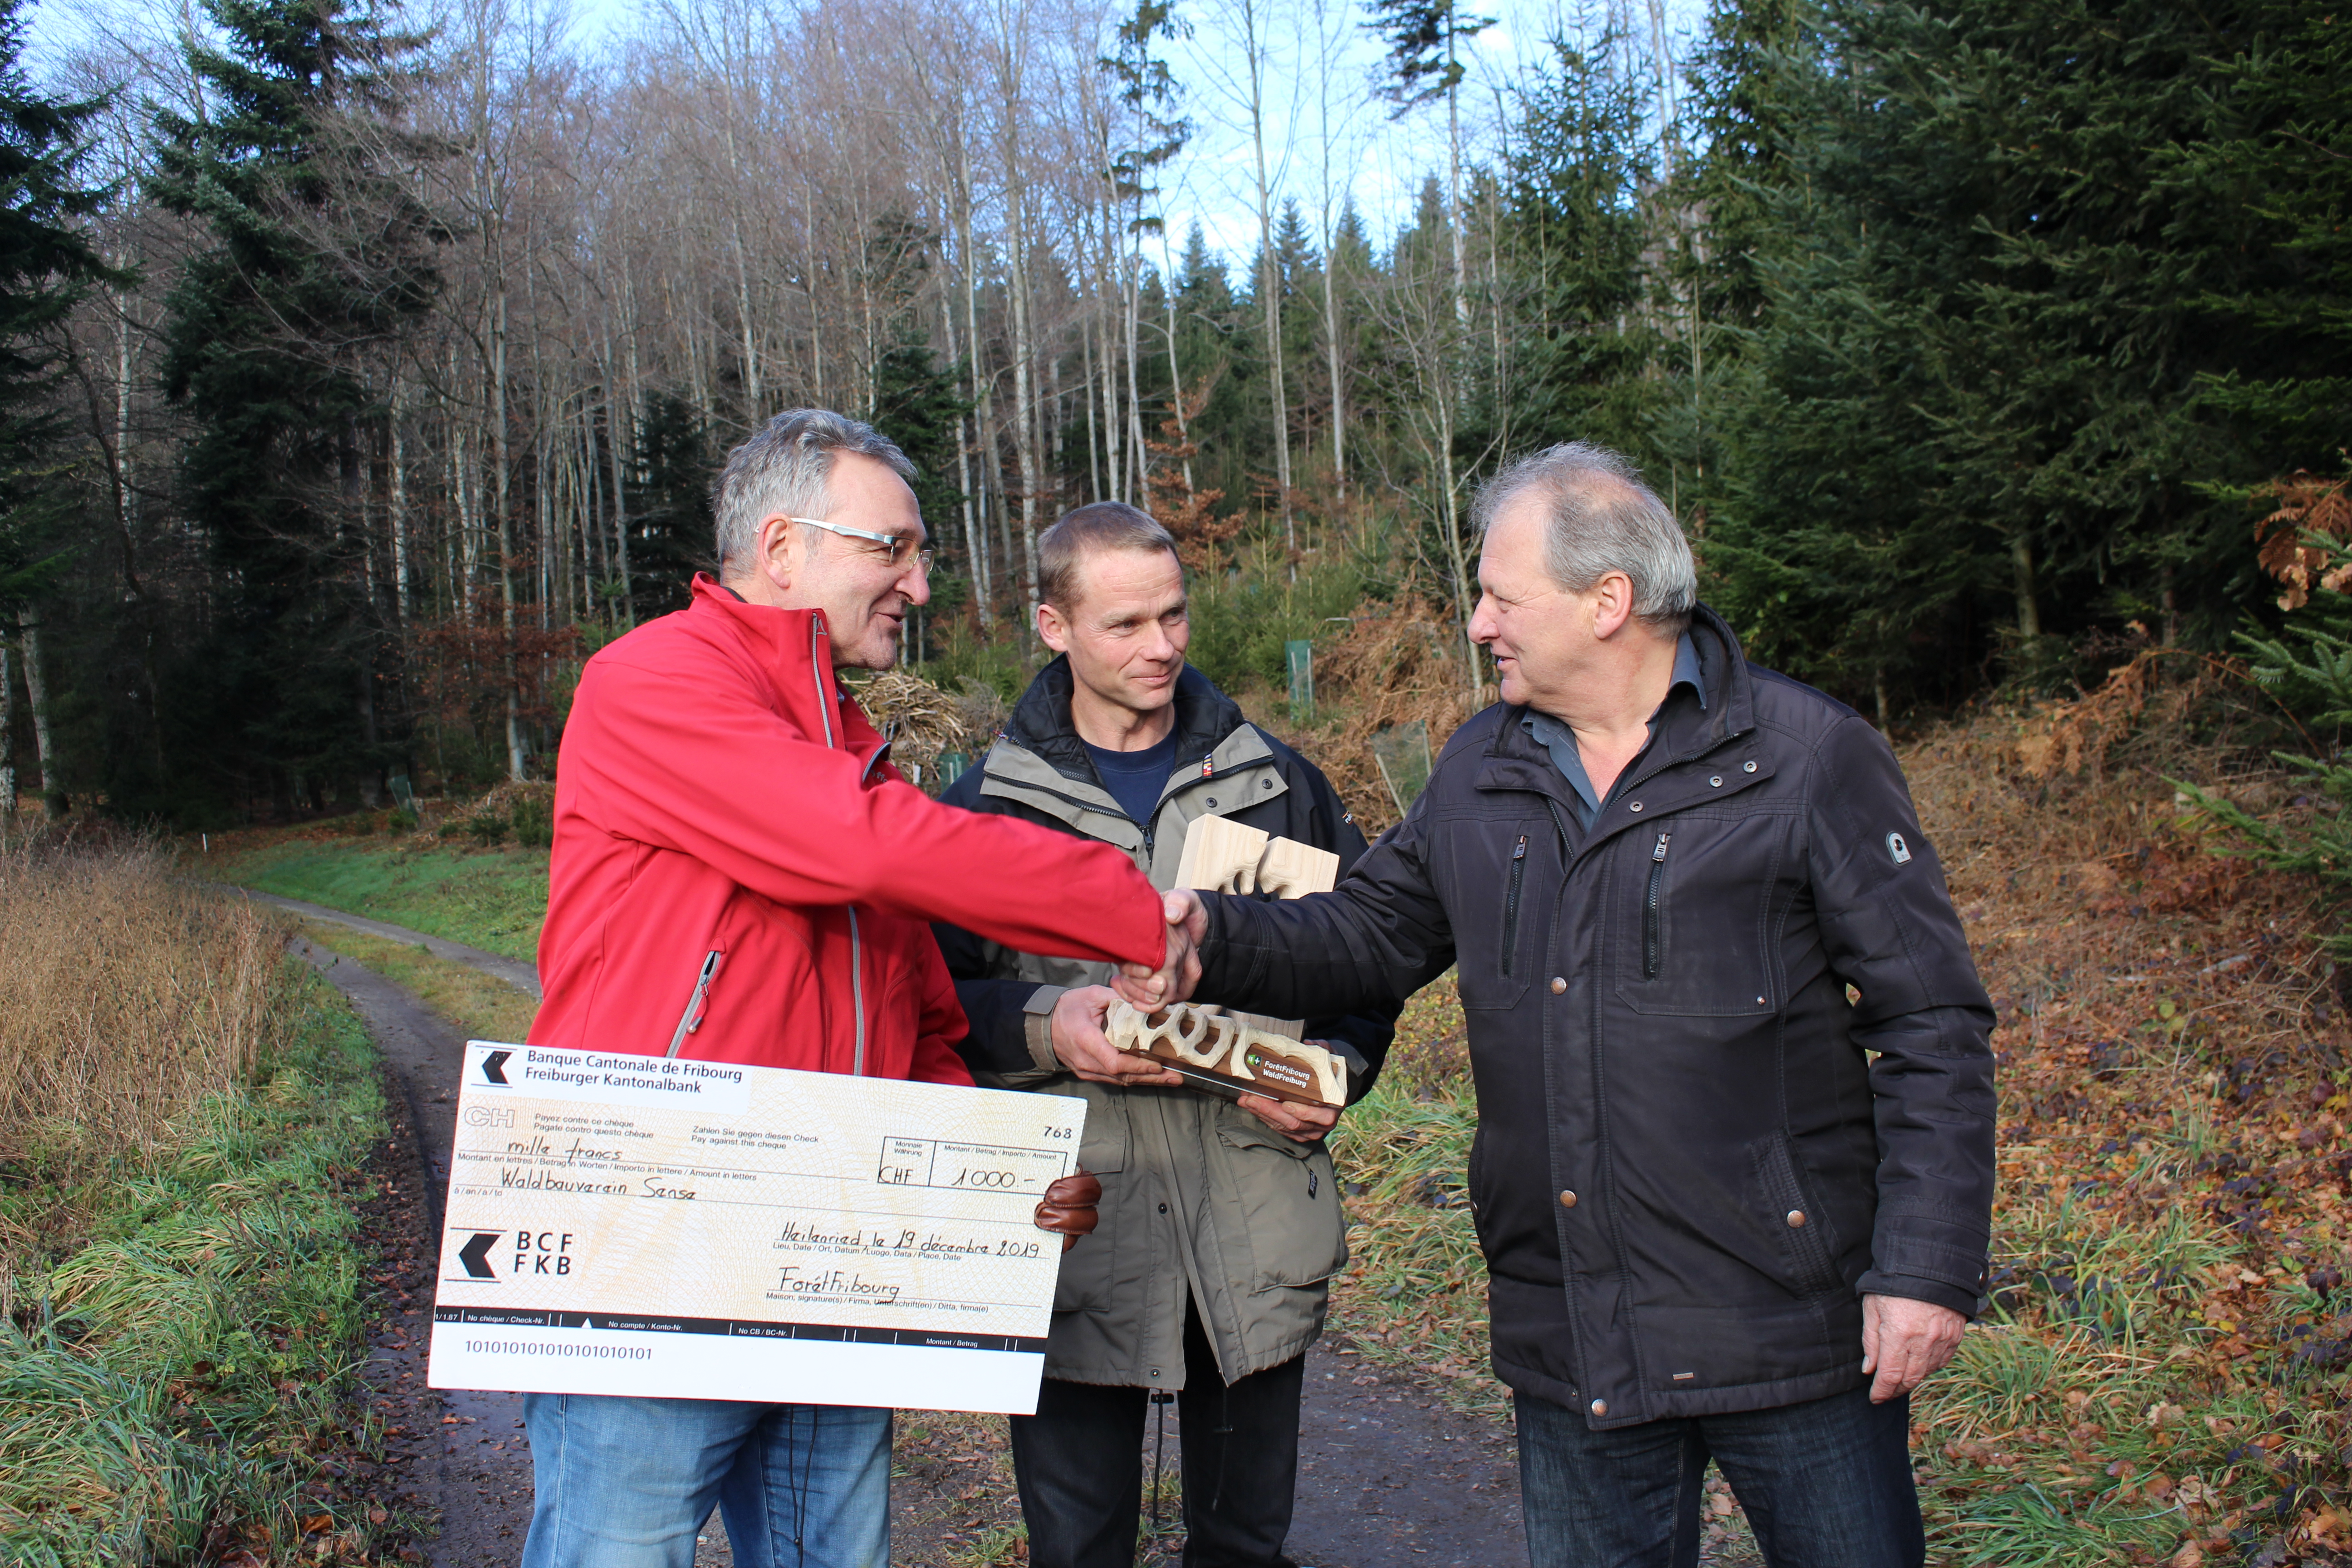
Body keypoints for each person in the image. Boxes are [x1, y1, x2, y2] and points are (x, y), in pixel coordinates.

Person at [1159, 443, 1996, 1568]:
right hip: (1574, 1327)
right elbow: (1365, 937)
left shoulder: (1806, 761)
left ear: (1610, 602)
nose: (1478, 623)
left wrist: (1925, 1270)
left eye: (1502, 597)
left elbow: (1932, 1022)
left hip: (1792, 1323)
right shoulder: (1479, 770)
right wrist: (1205, 936)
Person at [522, 411, 1187, 1568]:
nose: (918, 584)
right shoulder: (652, 683)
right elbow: (867, 847)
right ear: (783, 548)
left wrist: (992, 1184)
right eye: (894, 549)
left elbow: (914, 1010)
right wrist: (1131, 906)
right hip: (656, 1238)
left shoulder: (846, 733)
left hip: (828, 1246)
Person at [932, 501, 1399, 1568]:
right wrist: (1054, 1029)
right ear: (1053, 626)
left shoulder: (1282, 787)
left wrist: (1343, 1066)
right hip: (1076, 1242)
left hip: (1252, 1225)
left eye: (1176, 616)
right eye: (1126, 625)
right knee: (1079, 1544)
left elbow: (1370, 954)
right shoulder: (981, 812)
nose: (1163, 647)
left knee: (1242, 1543)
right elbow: (934, 1008)